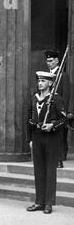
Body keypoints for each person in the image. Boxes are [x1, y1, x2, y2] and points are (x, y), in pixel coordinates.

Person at [27, 72, 67, 215]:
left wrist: (52, 125)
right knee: (39, 170)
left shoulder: (56, 99)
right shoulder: (34, 99)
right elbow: (29, 118)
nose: (40, 83)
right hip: (37, 137)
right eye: (39, 81)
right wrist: (30, 139)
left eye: (43, 81)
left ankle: (48, 203)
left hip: (51, 139)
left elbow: (64, 120)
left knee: (50, 170)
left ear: (50, 83)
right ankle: (39, 201)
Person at [45, 50, 71, 168]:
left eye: (51, 61)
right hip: (49, 109)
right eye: (47, 61)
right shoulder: (46, 76)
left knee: (60, 134)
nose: (49, 63)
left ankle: (60, 157)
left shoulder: (63, 75)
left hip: (59, 109)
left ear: (57, 61)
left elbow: (66, 94)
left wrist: (65, 111)